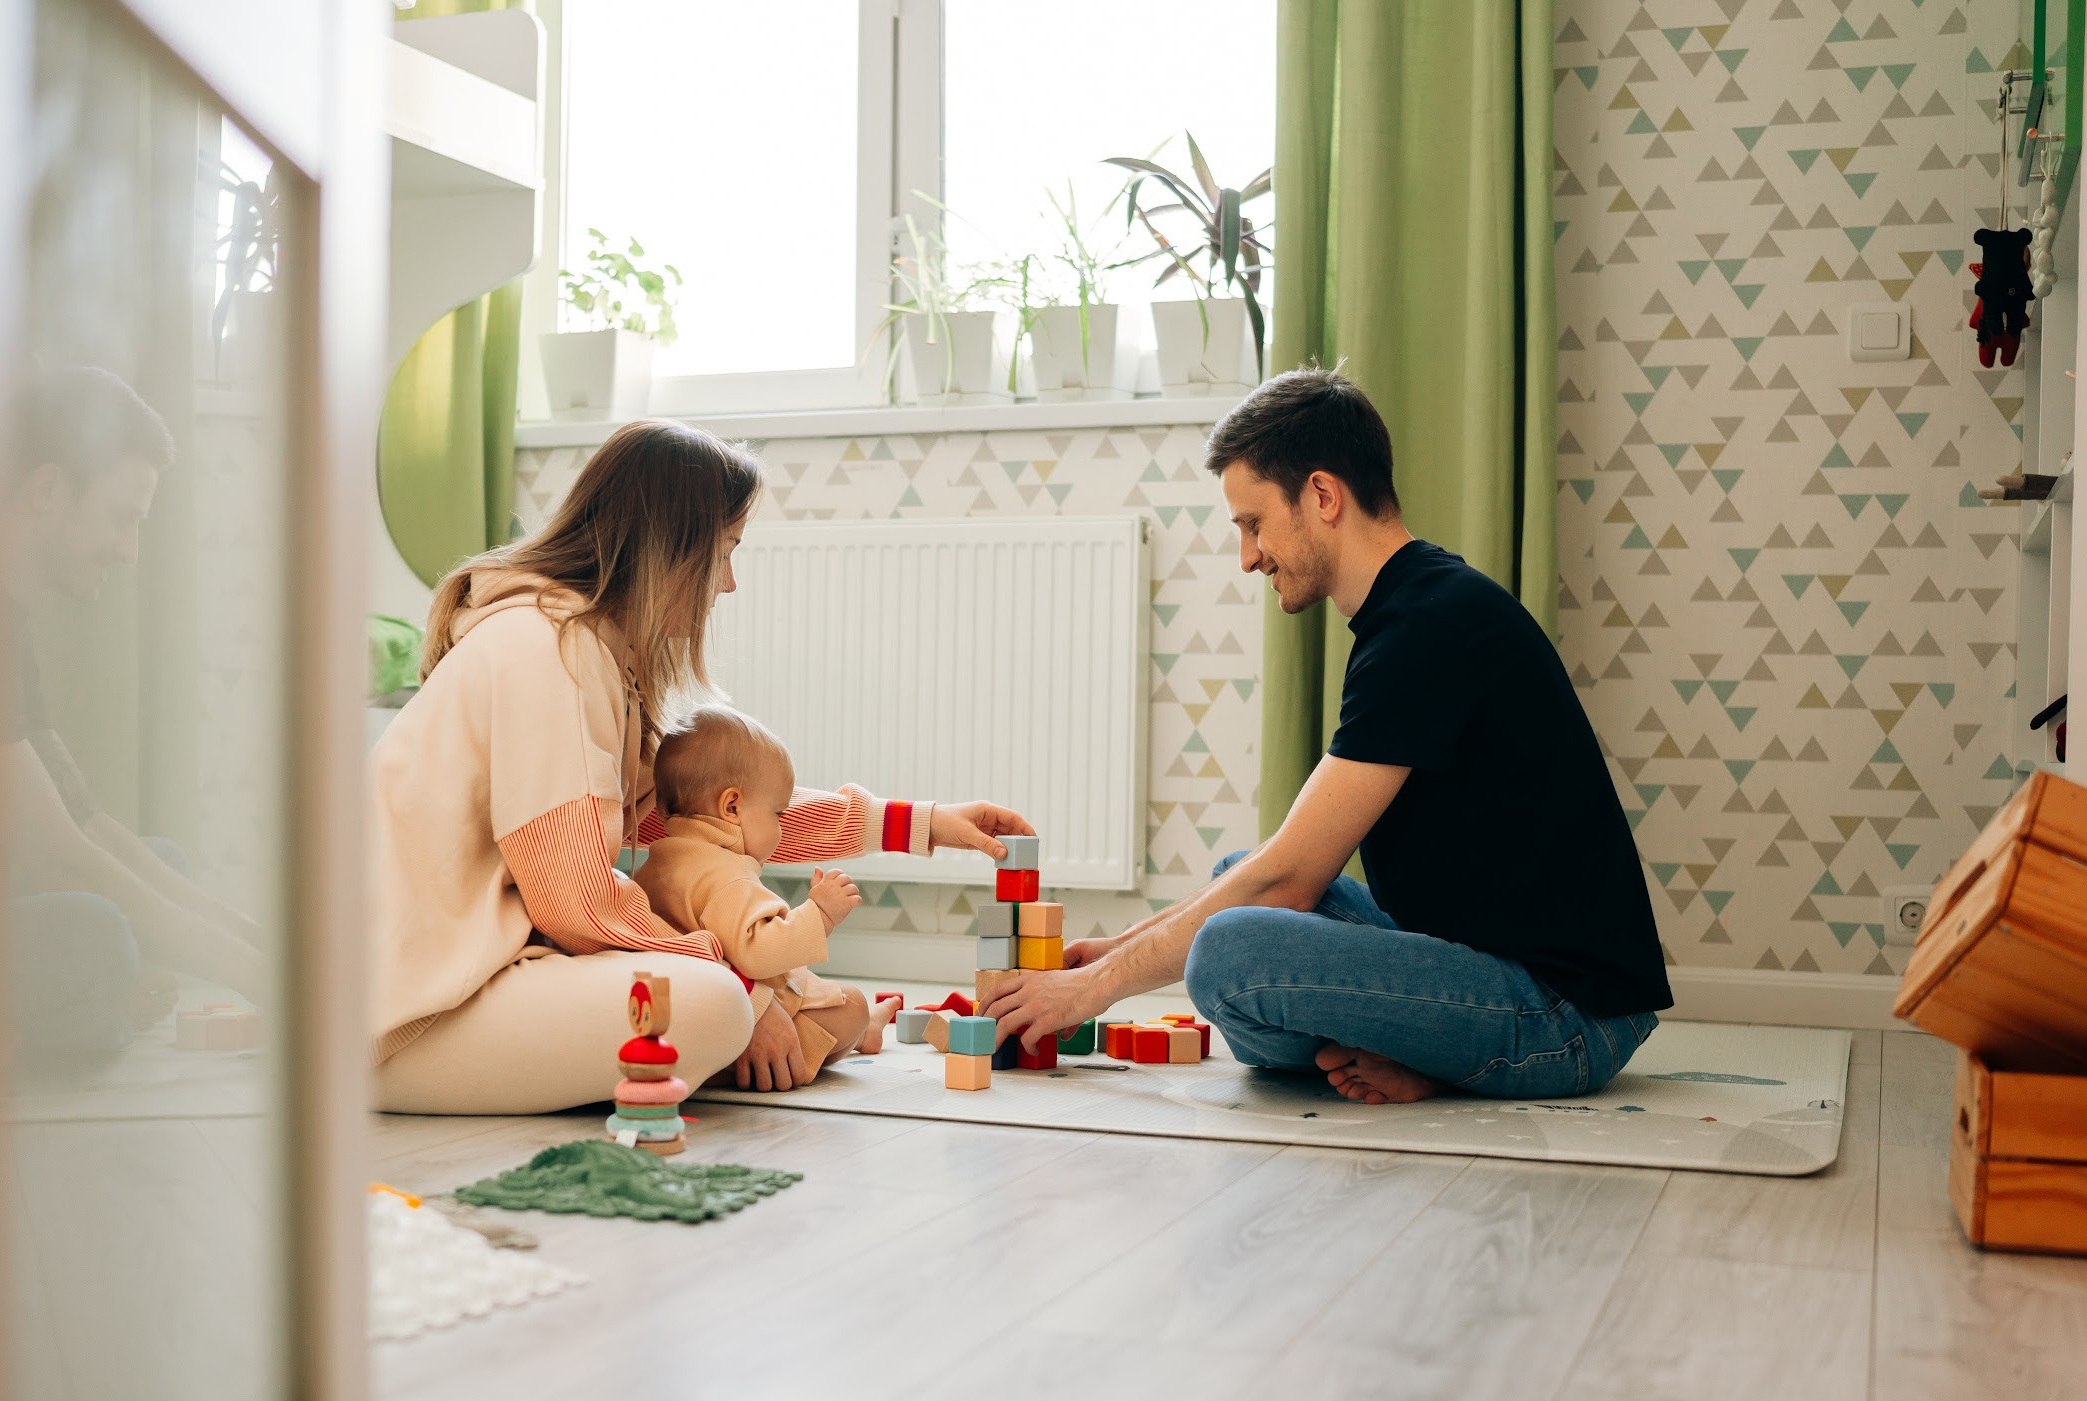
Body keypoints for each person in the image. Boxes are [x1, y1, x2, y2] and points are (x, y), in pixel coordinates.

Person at [984, 368, 1671, 1103]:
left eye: (1253, 523)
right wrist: (1113, 950)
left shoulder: (1426, 629)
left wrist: (1092, 989)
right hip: (1485, 965)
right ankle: (1419, 1052)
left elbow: (1293, 876)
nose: (1248, 555)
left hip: (1564, 1017)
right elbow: (1272, 870)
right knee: (1235, 874)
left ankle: (1437, 1059)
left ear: (1321, 495)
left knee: (1229, 948)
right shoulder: (1414, 608)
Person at [368, 419, 1031, 1114]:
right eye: (723, 553)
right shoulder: (549, 652)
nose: (730, 582)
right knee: (717, 1000)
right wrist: (744, 984)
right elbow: (576, 903)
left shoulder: (579, 645)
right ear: (668, 551)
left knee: (755, 979)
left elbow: (701, 815)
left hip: (455, 980)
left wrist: (922, 824)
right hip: (414, 1014)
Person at [4, 366, 268, 1065]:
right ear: (49, 491)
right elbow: (55, 853)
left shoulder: (6, 622)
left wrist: (260, 943)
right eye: (122, 519)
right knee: (98, 934)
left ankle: (91, 1010)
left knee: (160, 863)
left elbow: (83, 818)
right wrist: (260, 981)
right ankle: (50, 1023)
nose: (129, 550)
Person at [635, 706, 903, 1085]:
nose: (781, 826)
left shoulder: (656, 864)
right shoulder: (725, 874)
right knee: (853, 1005)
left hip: (688, 1006)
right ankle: (862, 1032)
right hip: (735, 1015)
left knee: (807, 982)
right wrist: (820, 914)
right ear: (732, 807)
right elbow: (759, 953)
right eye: (779, 813)